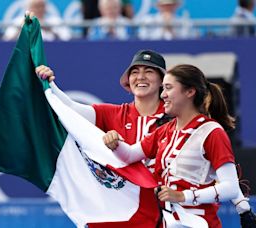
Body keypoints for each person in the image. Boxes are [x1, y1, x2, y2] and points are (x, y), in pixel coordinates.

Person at [37, 50, 256, 227]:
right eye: (135, 71)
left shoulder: (198, 125)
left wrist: (241, 205)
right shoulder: (158, 126)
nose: (141, 77)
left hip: (188, 217)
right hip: (147, 214)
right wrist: (50, 86)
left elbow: (224, 177)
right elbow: (74, 112)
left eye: (149, 72)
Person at [102, 64, 240, 227]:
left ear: (190, 92)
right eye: (163, 89)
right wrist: (116, 142)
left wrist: (183, 196)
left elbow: (230, 187)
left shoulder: (212, 132)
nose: (163, 95)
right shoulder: (164, 130)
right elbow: (130, 155)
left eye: (168, 88)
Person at [3, 0, 72, 41]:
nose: (38, 9)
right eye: (35, 6)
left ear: (45, 8)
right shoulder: (17, 22)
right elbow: (6, 42)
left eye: (41, 6)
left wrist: (50, 30)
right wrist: (21, 29)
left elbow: (67, 42)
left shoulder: (56, 21)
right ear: (28, 7)